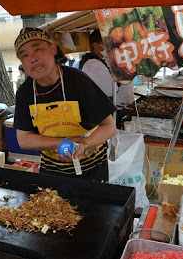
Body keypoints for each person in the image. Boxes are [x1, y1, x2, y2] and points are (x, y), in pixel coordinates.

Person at [13, 27, 116, 182]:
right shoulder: (25, 93)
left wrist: (84, 144)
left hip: (92, 170)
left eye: (37, 50)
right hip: (52, 171)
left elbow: (109, 127)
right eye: (24, 55)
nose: (32, 59)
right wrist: (64, 142)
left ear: (53, 49)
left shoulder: (78, 82)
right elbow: (24, 140)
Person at [80, 30, 115, 99]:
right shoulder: (93, 64)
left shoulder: (99, 60)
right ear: (97, 46)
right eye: (108, 44)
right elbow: (110, 90)